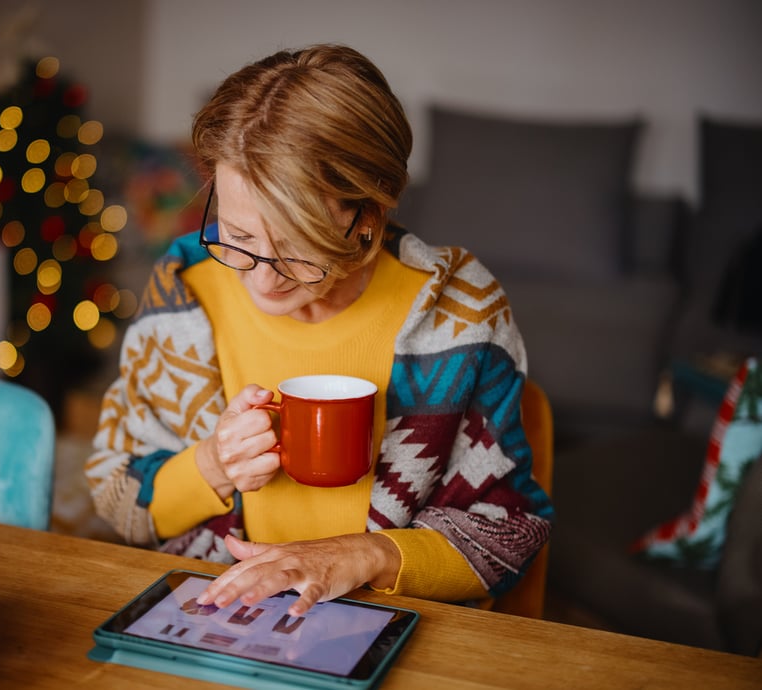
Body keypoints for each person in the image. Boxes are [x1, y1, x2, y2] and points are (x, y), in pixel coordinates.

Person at [86, 44, 553, 617]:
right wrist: (210, 465)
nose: (260, 279)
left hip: (402, 630)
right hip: (215, 621)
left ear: (372, 214)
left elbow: (507, 535)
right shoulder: (185, 294)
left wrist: (361, 556)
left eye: (299, 249)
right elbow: (115, 501)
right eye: (238, 236)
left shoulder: (460, 311)